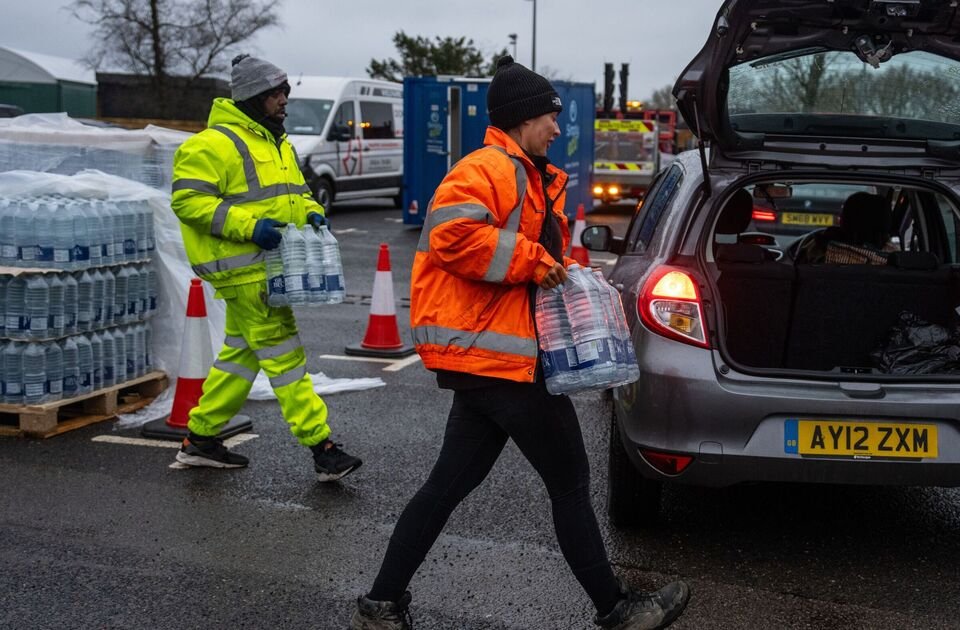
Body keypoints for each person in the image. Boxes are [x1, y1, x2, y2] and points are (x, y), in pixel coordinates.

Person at [350, 56, 691, 630]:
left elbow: (527, 251)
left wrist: (566, 271)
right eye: (550, 117)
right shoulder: (486, 168)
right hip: (502, 359)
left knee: (447, 486)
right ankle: (617, 609)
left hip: (491, 357)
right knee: (570, 482)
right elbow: (452, 235)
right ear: (521, 118)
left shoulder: (526, 172)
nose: (558, 128)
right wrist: (535, 262)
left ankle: (381, 604)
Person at [170, 54, 362, 482]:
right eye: (276, 94)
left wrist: (312, 212)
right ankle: (321, 447)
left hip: (264, 269)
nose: (284, 101)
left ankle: (200, 440)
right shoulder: (211, 144)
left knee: (240, 357)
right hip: (245, 270)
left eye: (285, 93)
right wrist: (251, 227)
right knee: (285, 357)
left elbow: (298, 195)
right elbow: (188, 202)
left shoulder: (277, 144)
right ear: (255, 98)